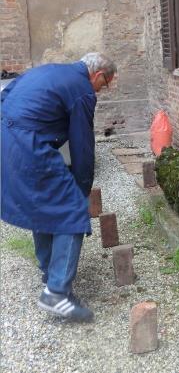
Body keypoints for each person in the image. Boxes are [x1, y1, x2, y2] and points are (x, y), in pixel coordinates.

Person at [1, 53, 116, 322]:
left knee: (42, 204)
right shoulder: (82, 90)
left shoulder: (49, 71)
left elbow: (5, 97)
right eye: (105, 85)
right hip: (28, 146)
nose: (102, 90)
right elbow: (82, 146)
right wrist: (82, 189)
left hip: (6, 141)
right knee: (72, 209)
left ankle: (49, 273)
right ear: (98, 75)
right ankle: (56, 294)